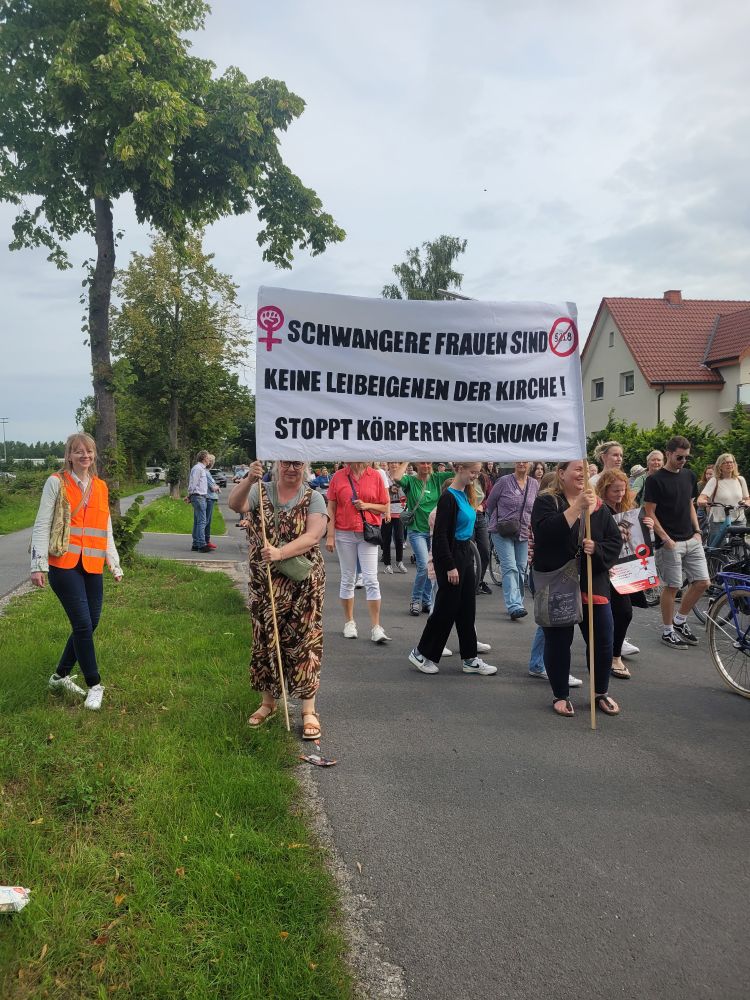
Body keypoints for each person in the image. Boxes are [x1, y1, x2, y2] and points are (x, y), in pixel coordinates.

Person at [228, 459, 328, 738]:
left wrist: (281, 553)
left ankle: (308, 710)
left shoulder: (314, 497)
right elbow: (235, 505)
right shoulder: (260, 490)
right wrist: (249, 479)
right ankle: (268, 703)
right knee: (265, 638)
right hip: (265, 582)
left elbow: (313, 536)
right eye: (286, 463)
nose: (291, 469)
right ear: (277, 465)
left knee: (305, 641)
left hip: (303, 582)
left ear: (304, 467)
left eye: (297, 464)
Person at [29, 432, 123, 711]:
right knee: (82, 624)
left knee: (91, 623)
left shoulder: (101, 486)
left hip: (92, 563)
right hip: (63, 563)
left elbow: (105, 527)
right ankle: (95, 684)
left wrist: (113, 561)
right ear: (69, 456)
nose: (85, 455)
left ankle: (59, 677)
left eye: (89, 451)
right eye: (78, 451)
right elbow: (42, 524)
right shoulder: (56, 482)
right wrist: (37, 565)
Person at [531, 461, 623, 717]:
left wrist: (597, 549)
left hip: (593, 583)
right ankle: (561, 694)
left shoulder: (599, 507)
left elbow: (614, 541)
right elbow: (545, 535)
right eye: (577, 469)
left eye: (585, 469)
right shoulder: (547, 501)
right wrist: (576, 508)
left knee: (602, 639)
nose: (583, 474)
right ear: (562, 474)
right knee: (559, 640)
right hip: (558, 581)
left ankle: (600, 692)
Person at [408, 462, 497, 676]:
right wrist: (449, 566)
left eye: (477, 472)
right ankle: (421, 653)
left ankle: (470, 658)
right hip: (452, 555)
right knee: (445, 609)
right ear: (459, 469)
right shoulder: (448, 497)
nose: (475, 476)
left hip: (464, 552)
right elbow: (440, 536)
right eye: (472, 472)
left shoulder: (464, 495)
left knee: (467, 608)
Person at [643, 436, 710, 649]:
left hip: (691, 538)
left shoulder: (689, 476)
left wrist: (697, 531)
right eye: (679, 457)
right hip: (669, 542)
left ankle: (680, 620)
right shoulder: (655, 480)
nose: (683, 461)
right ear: (668, 453)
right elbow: (649, 512)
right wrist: (665, 538)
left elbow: (690, 505)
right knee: (672, 587)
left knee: (703, 582)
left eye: (686, 457)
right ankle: (667, 630)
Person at [595, 470, 655, 680]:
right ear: (605, 490)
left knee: (620, 612)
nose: (620, 494)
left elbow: (641, 540)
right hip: (605, 568)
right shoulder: (598, 510)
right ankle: (612, 655)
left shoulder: (628, 509)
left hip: (625, 568)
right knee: (618, 612)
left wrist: (649, 527)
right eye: (615, 490)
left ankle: (612, 652)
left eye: (623, 490)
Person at [326, 461, 390, 642]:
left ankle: (376, 627)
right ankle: (349, 622)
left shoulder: (376, 475)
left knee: (371, 579)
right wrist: (330, 535)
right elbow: (331, 507)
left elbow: (385, 506)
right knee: (348, 577)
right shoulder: (338, 476)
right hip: (343, 532)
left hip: (368, 533)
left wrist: (366, 505)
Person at [392, 462, 455, 616]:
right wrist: (408, 458)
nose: (426, 465)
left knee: (432, 567)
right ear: (417, 464)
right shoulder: (411, 480)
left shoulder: (437, 478)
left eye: (428, 462)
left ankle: (427, 601)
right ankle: (415, 600)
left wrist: (449, 461)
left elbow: (458, 474)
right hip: (416, 530)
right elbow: (396, 477)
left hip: (435, 531)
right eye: (422, 462)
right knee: (423, 566)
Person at [486, 462, 538, 620]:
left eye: (525, 460)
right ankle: (514, 605)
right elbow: (490, 504)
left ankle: (518, 603)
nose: (522, 463)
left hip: (523, 531)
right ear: (515, 463)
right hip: (501, 530)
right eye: (519, 460)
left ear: (530, 464)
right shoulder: (504, 481)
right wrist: (499, 519)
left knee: (521, 567)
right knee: (510, 566)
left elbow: (535, 508)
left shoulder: (534, 484)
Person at [697, 454, 749, 546]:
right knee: (720, 548)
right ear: (720, 466)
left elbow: (747, 498)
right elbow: (701, 498)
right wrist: (703, 502)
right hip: (719, 520)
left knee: (740, 547)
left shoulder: (740, 480)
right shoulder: (714, 480)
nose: (729, 464)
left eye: (731, 462)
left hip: (739, 519)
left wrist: (747, 503)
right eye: (725, 463)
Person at [381, 461, 407, 574]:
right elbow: (380, 490)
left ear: (399, 464)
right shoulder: (383, 475)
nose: (394, 465)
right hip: (386, 511)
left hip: (400, 510)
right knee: (386, 538)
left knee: (399, 538)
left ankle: (399, 561)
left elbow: (408, 491)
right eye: (391, 462)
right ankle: (387, 564)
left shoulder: (404, 476)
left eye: (396, 462)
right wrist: (389, 489)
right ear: (388, 464)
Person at [187, 449, 211, 553]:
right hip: (199, 497)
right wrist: (190, 495)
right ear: (204, 458)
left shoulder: (200, 469)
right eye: (208, 457)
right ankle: (201, 544)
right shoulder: (198, 469)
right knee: (202, 521)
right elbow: (193, 483)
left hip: (198, 496)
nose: (209, 459)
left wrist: (190, 496)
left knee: (198, 521)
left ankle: (196, 544)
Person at [204, 454, 221, 551]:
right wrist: (217, 487)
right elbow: (212, 487)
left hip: (209, 498)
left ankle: (206, 540)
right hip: (209, 498)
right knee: (206, 521)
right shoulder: (206, 473)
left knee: (207, 521)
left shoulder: (207, 472)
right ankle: (205, 541)